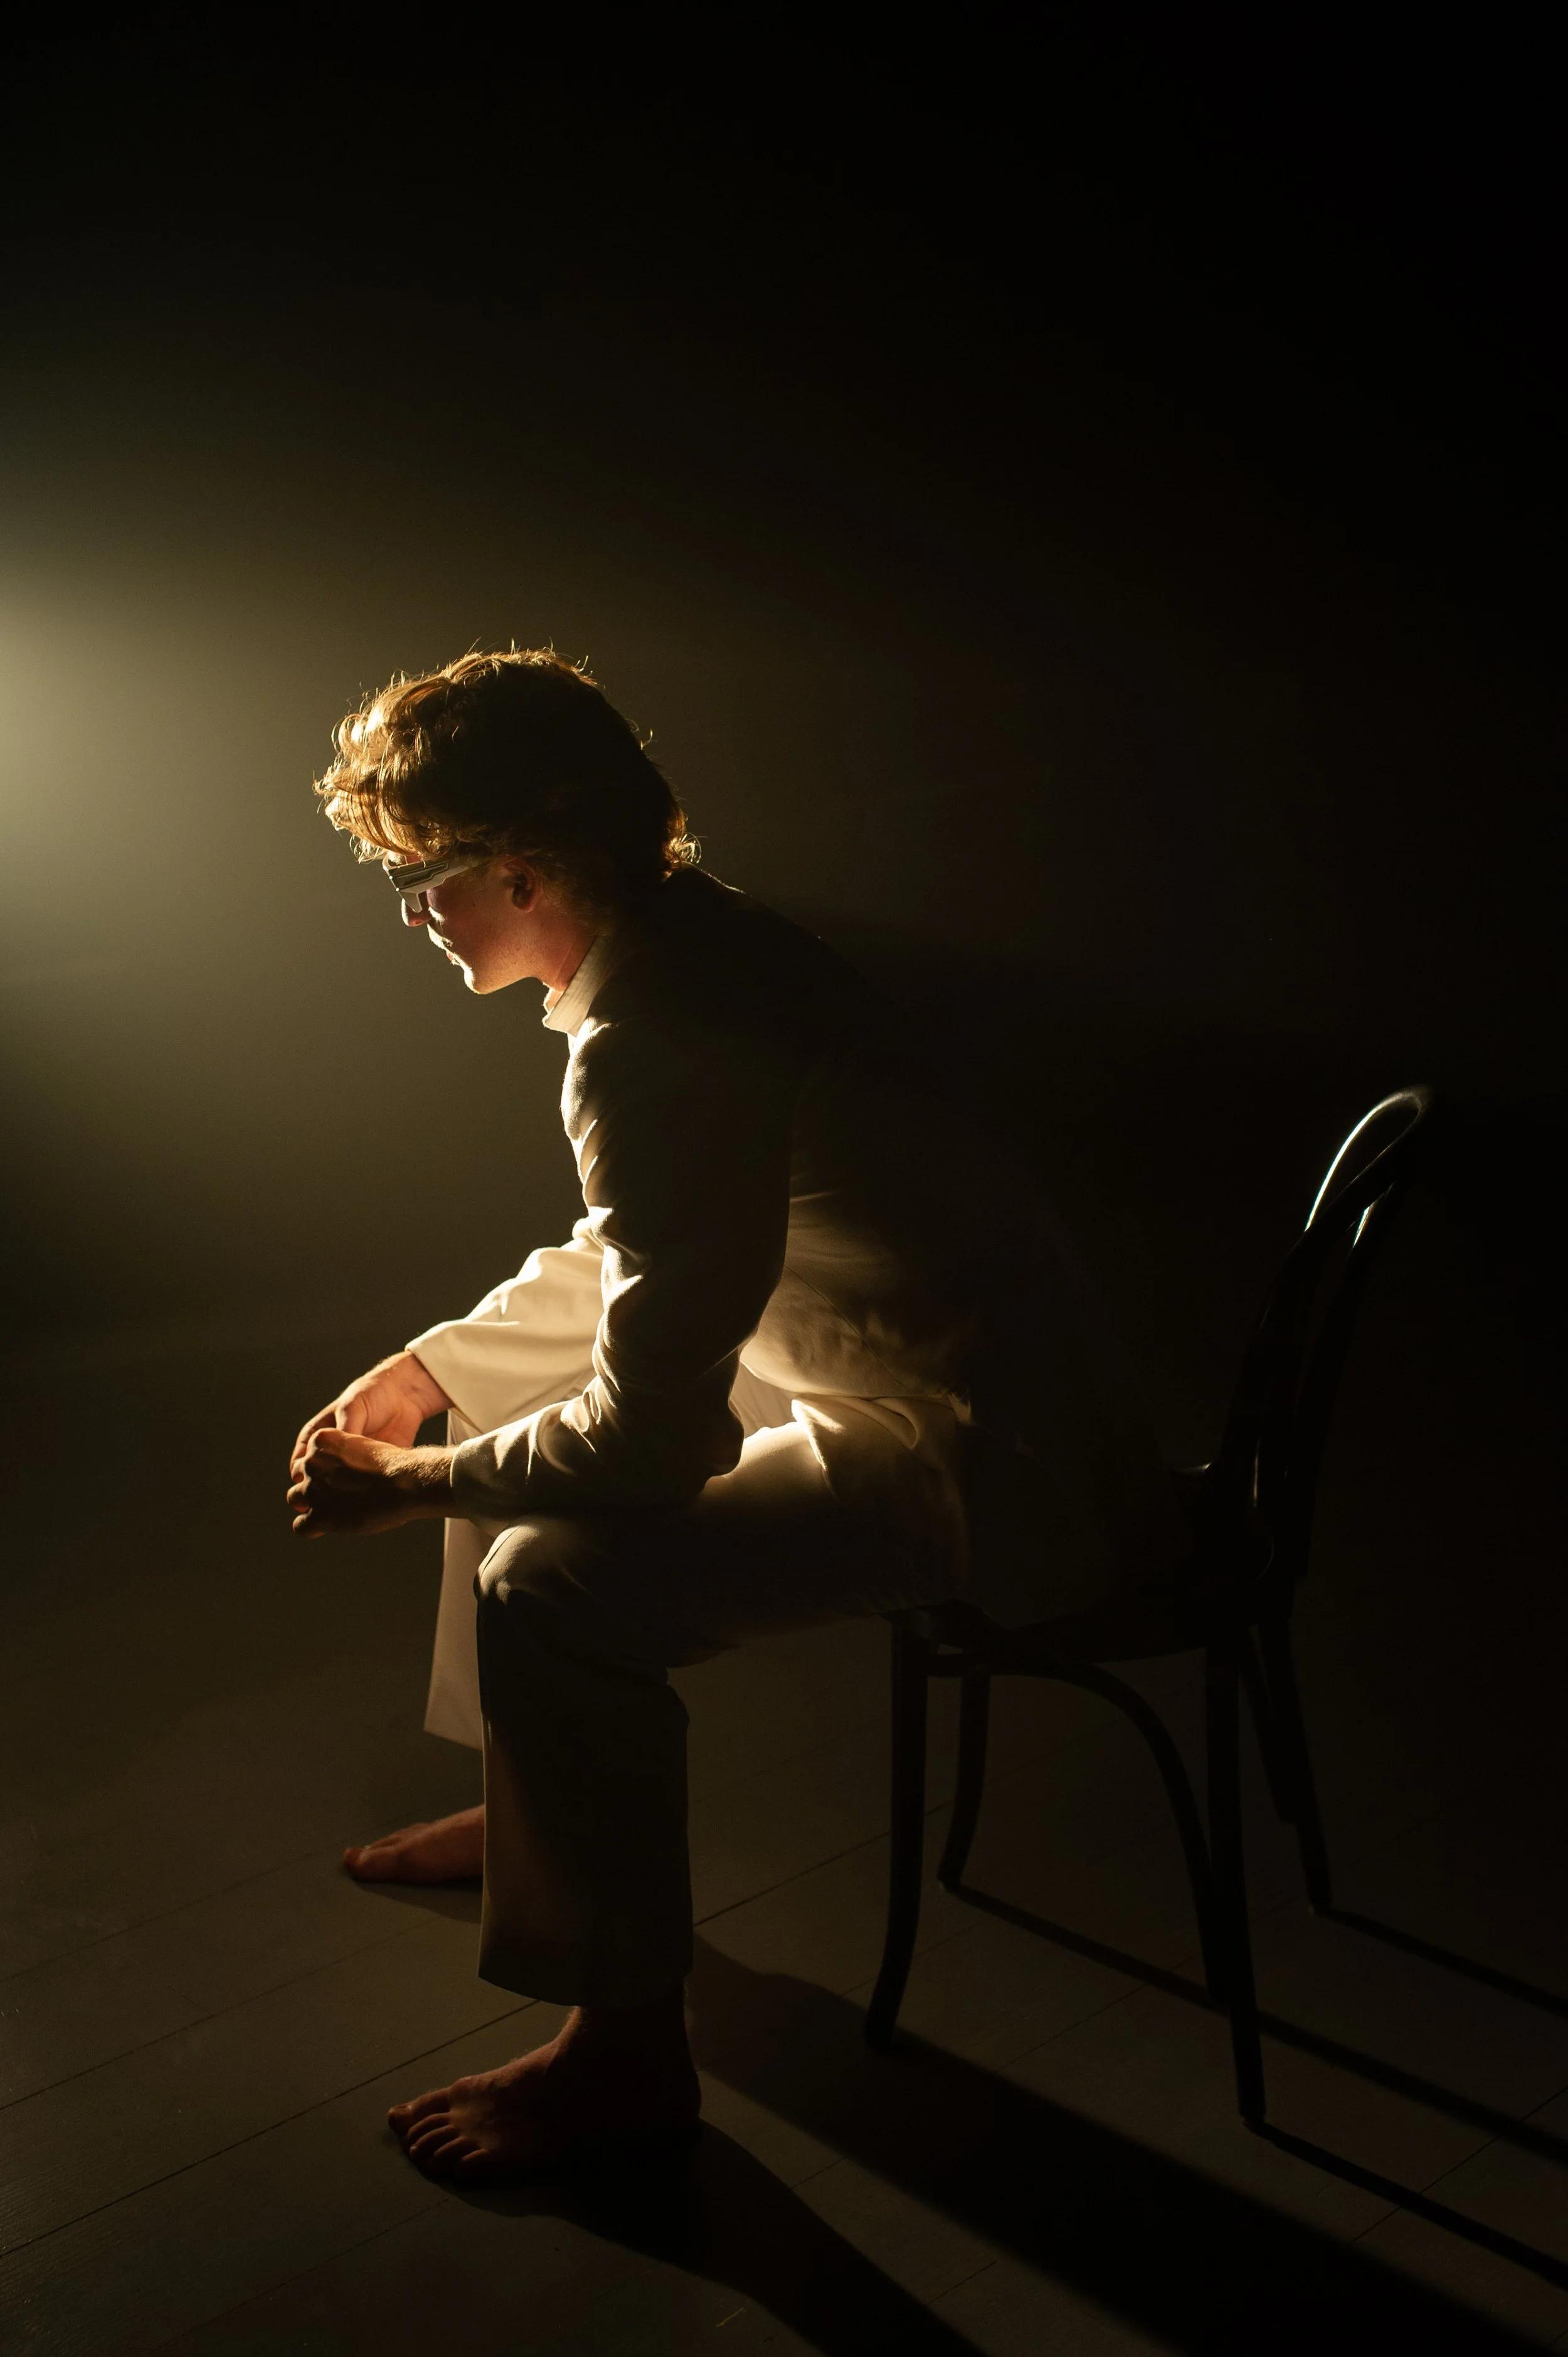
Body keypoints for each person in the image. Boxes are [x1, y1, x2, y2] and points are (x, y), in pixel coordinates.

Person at [287, 648, 1184, 2179]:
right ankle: (537, 1807)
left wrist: (411, 1485)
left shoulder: (655, 1034)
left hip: (984, 1460)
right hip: (935, 1376)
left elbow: (651, 1443)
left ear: (521, 864)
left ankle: (624, 2059)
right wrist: (441, 1373)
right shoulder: (683, 950)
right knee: (499, 1412)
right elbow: (646, 1253)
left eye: (417, 875)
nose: (410, 912)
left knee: (546, 1579)